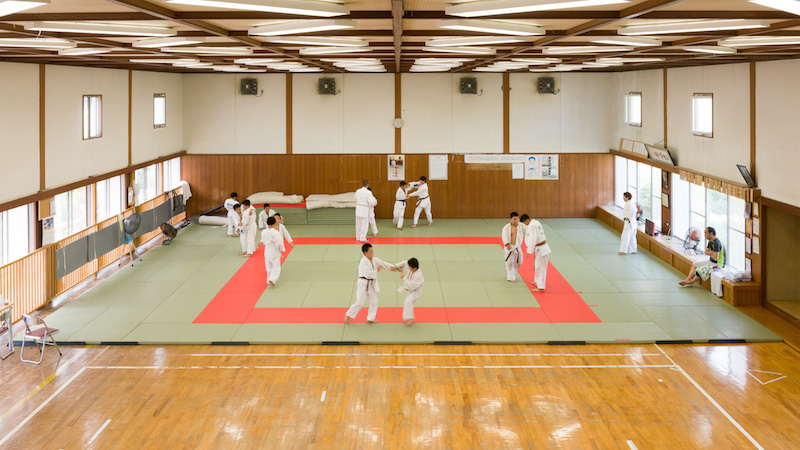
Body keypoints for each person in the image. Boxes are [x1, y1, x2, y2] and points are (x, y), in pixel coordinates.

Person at [345, 243, 396, 324]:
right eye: (371, 251)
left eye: (373, 251)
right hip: (363, 283)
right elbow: (367, 274)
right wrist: (377, 270)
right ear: (365, 253)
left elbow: (384, 264)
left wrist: (395, 267)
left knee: (374, 302)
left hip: (371, 283)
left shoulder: (375, 260)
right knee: (360, 302)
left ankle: (370, 318)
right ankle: (348, 314)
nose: (372, 253)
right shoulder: (363, 262)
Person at [522, 214, 551, 291]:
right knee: (537, 266)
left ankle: (541, 287)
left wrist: (529, 250)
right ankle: (537, 281)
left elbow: (533, 238)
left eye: (525, 223)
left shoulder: (532, 226)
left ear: (526, 220)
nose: (525, 225)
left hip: (541, 249)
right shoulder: (536, 222)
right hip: (540, 248)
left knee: (540, 267)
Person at [395, 257, 424, 326]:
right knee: (407, 302)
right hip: (411, 290)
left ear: (414, 268)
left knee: (408, 301)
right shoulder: (412, 269)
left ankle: (410, 318)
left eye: (410, 267)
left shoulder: (418, 275)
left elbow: (411, 285)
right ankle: (408, 317)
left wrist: (403, 278)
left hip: (416, 290)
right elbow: (404, 263)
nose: (408, 268)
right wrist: (396, 266)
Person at [261, 216, 285, 286]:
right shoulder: (275, 232)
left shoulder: (264, 231)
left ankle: (269, 280)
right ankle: (272, 279)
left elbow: (263, 240)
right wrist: (281, 248)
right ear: (274, 223)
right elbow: (279, 242)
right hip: (274, 250)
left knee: (269, 267)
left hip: (267, 250)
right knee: (276, 267)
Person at [501, 212, 525, 283]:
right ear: (510, 219)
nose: (516, 221)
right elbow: (504, 236)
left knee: (520, 261)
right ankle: (511, 277)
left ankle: (510, 271)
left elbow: (529, 229)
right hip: (509, 247)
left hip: (517, 247)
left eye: (517, 219)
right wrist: (507, 244)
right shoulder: (506, 227)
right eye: (514, 219)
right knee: (510, 262)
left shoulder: (521, 225)